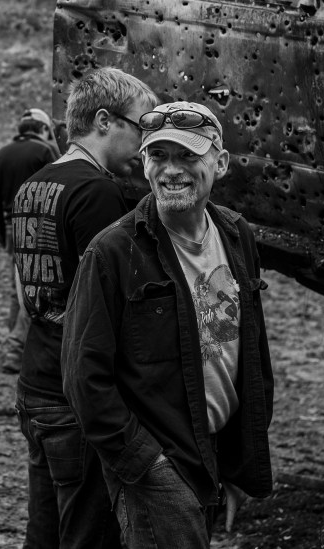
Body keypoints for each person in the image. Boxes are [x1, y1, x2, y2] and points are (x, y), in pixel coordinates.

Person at [61, 100, 274, 548]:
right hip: (161, 463)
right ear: (143, 162)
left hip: (214, 454)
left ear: (220, 162)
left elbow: (251, 353)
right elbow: (83, 378)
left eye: (187, 156)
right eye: (158, 156)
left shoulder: (237, 235)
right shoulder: (113, 252)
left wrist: (238, 464)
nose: (171, 170)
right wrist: (146, 465)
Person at [10, 67, 157, 549]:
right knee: (88, 535)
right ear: (103, 120)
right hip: (76, 395)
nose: (143, 143)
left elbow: (21, 283)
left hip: (35, 381)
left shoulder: (32, 185)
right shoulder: (98, 191)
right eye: (140, 126)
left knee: (45, 527)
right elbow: (114, 303)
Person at [0, 108, 59, 374]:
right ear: (42, 129)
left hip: (10, 230)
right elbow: (56, 189)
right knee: (36, 289)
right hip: (38, 230)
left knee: (14, 291)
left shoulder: (0, 154)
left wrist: (0, 234)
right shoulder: (45, 153)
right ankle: (18, 349)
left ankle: (14, 343)